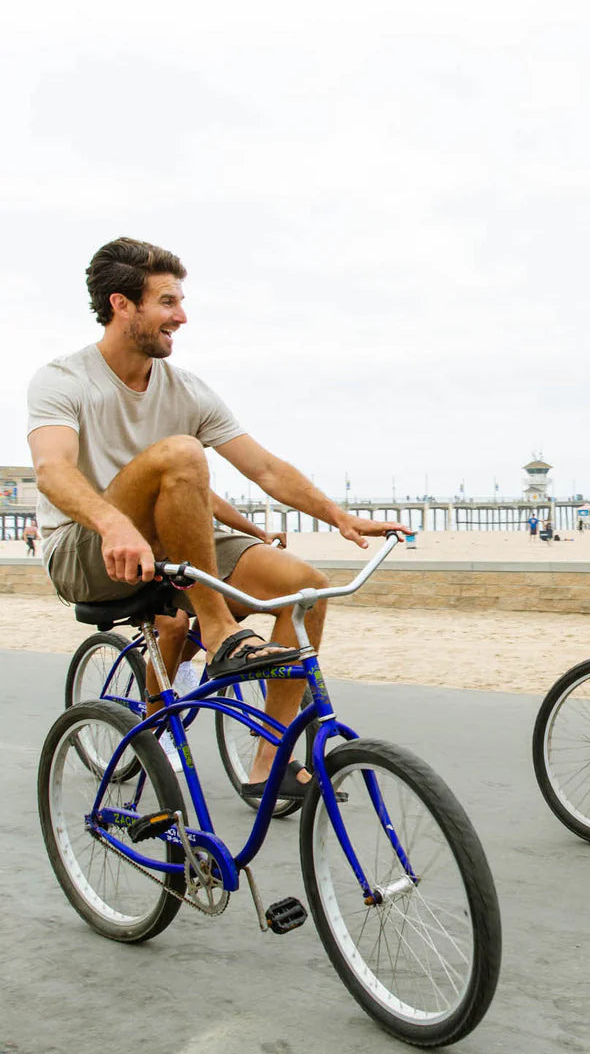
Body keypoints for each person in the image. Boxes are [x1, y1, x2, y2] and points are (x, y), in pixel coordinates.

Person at [27, 237, 409, 798]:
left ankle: (268, 763)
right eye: (167, 302)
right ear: (121, 304)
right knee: (181, 452)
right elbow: (53, 472)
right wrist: (114, 524)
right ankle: (216, 628)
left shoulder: (187, 390)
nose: (181, 316)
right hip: (85, 547)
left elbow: (266, 469)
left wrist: (340, 517)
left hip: (164, 541)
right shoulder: (64, 379)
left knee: (305, 588)